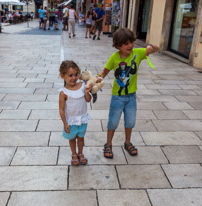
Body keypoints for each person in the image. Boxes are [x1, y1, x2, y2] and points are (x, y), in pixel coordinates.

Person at [96, 28, 159, 158]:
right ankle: (108, 144)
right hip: (117, 97)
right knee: (113, 122)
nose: (130, 45)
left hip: (131, 97)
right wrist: (97, 79)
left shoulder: (138, 53)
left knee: (130, 122)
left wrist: (150, 47)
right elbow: (104, 72)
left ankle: (127, 142)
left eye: (131, 42)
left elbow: (157, 47)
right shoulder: (114, 58)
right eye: (126, 43)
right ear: (118, 45)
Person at [59, 60, 92, 166]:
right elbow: (61, 109)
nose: (73, 78)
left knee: (81, 138)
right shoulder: (63, 92)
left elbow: (88, 100)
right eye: (70, 75)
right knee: (72, 139)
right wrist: (65, 123)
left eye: (76, 74)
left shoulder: (83, 86)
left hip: (82, 119)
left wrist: (87, 93)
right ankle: (74, 154)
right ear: (62, 76)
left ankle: (80, 152)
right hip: (71, 121)